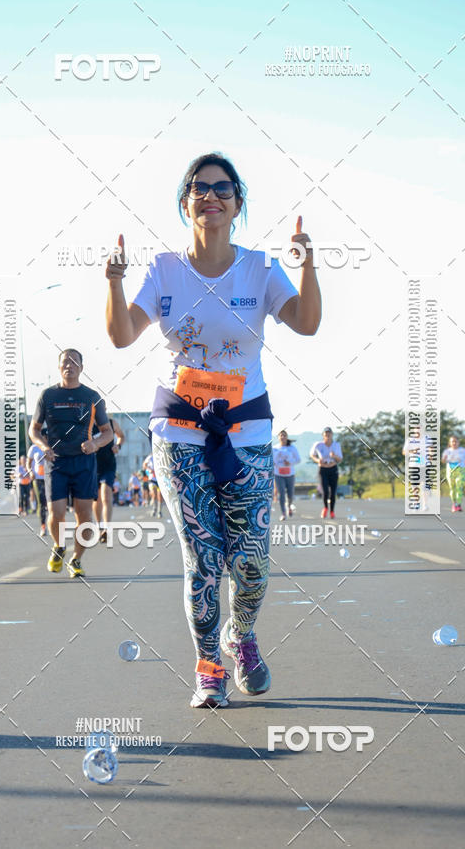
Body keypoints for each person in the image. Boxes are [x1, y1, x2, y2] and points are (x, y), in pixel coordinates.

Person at [105, 151, 321, 708]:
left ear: (238, 204)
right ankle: (207, 669)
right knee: (202, 555)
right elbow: (123, 334)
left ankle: (240, 634)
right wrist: (113, 282)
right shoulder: (163, 269)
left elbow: (307, 323)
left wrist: (307, 265)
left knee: (251, 558)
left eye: (223, 189)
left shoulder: (260, 268)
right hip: (178, 425)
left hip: (245, 427)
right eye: (200, 188)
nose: (212, 196)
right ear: (185, 203)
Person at [29, 349, 113, 577]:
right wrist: (44, 447)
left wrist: (95, 445)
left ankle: (76, 559)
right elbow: (33, 430)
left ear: (81, 368)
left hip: (84, 463)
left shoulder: (92, 397)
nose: (69, 365)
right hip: (56, 462)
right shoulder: (47, 396)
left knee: (84, 515)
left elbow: (108, 433)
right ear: (58, 367)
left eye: (74, 362)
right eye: (65, 362)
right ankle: (58, 546)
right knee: (56, 513)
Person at [93, 418, 124, 542]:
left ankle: (106, 528)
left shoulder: (111, 423)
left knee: (106, 495)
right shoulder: (87, 424)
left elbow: (121, 436)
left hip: (109, 465)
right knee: (97, 499)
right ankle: (99, 526)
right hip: (93, 466)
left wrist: (118, 446)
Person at [310, 427, 342, 518]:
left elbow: (340, 459)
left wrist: (334, 456)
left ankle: (332, 511)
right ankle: (325, 508)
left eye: (329, 434)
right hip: (323, 470)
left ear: (332, 435)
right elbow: (312, 454)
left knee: (333, 492)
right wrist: (317, 460)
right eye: (326, 435)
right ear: (323, 436)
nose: (327, 436)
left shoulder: (336, 445)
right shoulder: (318, 445)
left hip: (333, 469)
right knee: (325, 491)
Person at [272, 430, 301, 520]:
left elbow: (298, 459)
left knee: (290, 494)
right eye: (281, 435)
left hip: (290, 474)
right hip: (278, 474)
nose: (283, 437)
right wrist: (274, 464)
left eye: (284, 435)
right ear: (278, 437)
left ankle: (289, 507)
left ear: (287, 437)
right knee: (281, 494)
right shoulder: (274, 448)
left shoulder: (292, 448)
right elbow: (271, 461)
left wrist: (290, 462)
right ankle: (283, 513)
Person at [441, 436, 465, 512]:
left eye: (456, 441)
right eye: (452, 441)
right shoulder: (447, 451)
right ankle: (454, 504)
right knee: (452, 488)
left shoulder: (463, 450)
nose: (454, 443)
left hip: (461, 470)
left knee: (459, 486)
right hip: (450, 471)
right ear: (450, 443)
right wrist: (444, 459)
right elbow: (443, 461)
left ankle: (459, 505)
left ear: (458, 442)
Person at [27, 442, 47, 536]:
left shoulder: (52, 445)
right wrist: (31, 472)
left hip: (50, 477)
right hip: (38, 479)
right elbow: (28, 463)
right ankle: (43, 526)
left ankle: (53, 524)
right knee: (42, 502)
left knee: (52, 503)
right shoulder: (34, 448)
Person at [143, 453, 163, 518]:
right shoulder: (149, 457)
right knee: (154, 495)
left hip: (160, 479)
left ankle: (159, 511)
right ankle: (154, 509)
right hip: (152, 479)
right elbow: (144, 465)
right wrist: (149, 469)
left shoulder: (161, 455)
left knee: (159, 496)